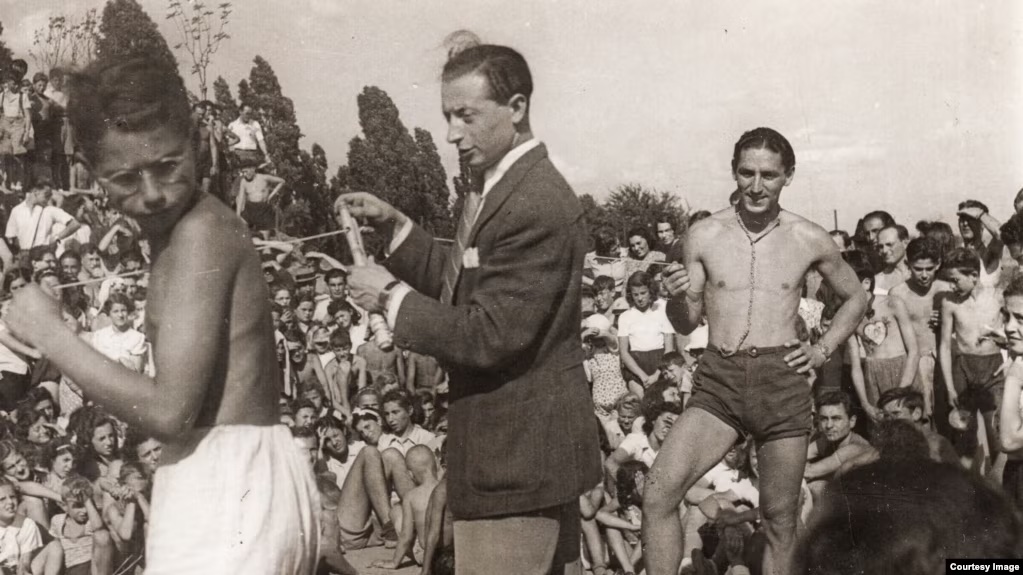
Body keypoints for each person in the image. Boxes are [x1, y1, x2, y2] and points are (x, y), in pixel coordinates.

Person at [3, 57, 318, 573]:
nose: (150, 194)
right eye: (124, 178)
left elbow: (171, 412)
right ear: (88, 168)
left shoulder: (201, 234)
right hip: (227, 476)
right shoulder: (181, 235)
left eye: (168, 166)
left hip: (227, 484)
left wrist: (54, 336)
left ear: (195, 141)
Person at [336, 37, 600, 574]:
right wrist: (397, 229)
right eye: (447, 116)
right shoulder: (500, 189)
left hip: (519, 462)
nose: (452, 133)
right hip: (510, 455)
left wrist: (388, 297)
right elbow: (464, 286)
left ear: (517, 108)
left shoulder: (535, 202)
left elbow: (488, 334)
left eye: (466, 116)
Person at [646, 127, 868, 575]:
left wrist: (823, 349)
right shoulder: (703, 235)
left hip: (780, 381)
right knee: (657, 494)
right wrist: (675, 296)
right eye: (746, 172)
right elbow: (686, 321)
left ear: (788, 176)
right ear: (733, 172)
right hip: (719, 381)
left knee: (780, 518)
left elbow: (856, 297)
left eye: (769, 174)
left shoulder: (808, 236)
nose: (756, 185)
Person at [938, 248, 1005, 463]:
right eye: (949, 280)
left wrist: (998, 336)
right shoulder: (950, 303)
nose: (951, 286)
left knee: (996, 435)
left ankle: (1000, 491)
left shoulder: (997, 297)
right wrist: (949, 387)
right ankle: (965, 491)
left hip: (993, 369)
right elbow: (945, 346)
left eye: (955, 280)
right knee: (963, 436)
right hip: (964, 369)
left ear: (973, 276)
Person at [888, 237, 950, 420]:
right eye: (918, 269)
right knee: (922, 415)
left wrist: (946, 322)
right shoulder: (898, 293)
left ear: (938, 264)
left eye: (929, 269)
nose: (924, 275)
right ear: (908, 264)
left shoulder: (945, 289)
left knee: (947, 414)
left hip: (944, 361)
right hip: (915, 363)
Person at [372, 445, 441, 570]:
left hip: (423, 555)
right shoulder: (445, 489)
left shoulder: (411, 496)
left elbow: (405, 536)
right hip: (446, 553)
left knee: (396, 511)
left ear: (410, 474)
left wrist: (394, 562)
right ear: (436, 463)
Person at [803, 391, 873, 503]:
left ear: (852, 421)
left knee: (815, 486)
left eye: (836, 418)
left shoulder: (857, 446)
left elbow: (808, 472)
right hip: (844, 499)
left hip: (862, 503)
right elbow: (798, 457)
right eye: (824, 419)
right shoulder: (828, 439)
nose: (829, 425)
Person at [877, 388, 958, 464]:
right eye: (886, 415)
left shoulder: (937, 445)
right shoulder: (890, 444)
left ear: (916, 414)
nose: (889, 420)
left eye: (896, 413)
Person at [5, 178, 80, 253]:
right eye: (46, 195)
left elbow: (75, 224)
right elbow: (11, 236)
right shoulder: (16, 210)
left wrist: (57, 238)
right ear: (35, 192)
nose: (49, 198)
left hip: (43, 253)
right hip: (24, 254)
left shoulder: (50, 210)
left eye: (50, 195)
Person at [956, 199, 1005, 289]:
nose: (965, 224)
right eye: (962, 219)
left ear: (982, 224)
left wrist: (980, 213)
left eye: (971, 219)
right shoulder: (955, 253)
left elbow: (1002, 234)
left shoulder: (989, 252)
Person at [235, 163, 284, 238]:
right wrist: (238, 215)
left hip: (263, 209)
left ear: (253, 169)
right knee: (240, 231)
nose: (245, 174)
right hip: (250, 208)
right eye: (243, 172)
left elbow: (282, 181)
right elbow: (241, 198)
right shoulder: (243, 181)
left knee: (265, 238)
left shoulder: (264, 178)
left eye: (246, 171)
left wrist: (271, 195)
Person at [227, 104, 269, 168]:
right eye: (247, 113)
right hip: (237, 154)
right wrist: (231, 157)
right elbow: (229, 143)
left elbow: (261, 140)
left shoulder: (255, 124)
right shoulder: (232, 125)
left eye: (250, 114)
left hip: (252, 155)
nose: (248, 116)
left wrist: (266, 154)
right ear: (240, 112)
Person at [873, 224, 910, 295]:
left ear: (905, 243)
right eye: (881, 246)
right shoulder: (877, 280)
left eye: (889, 244)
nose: (884, 251)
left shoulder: (922, 272)